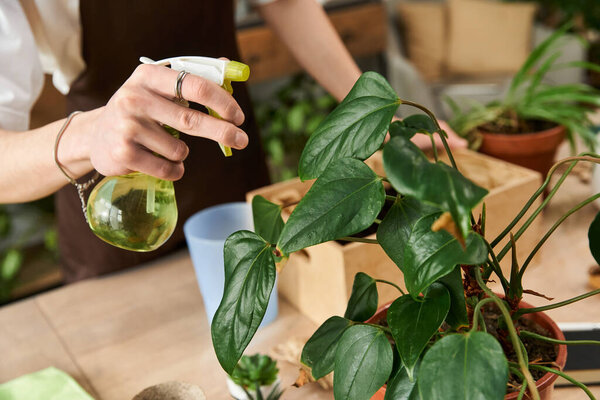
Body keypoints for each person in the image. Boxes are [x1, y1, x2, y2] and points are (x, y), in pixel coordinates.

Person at [0, 0, 464, 282]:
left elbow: (283, 3)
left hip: (230, 161)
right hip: (116, 197)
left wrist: (376, 118)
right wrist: (89, 134)